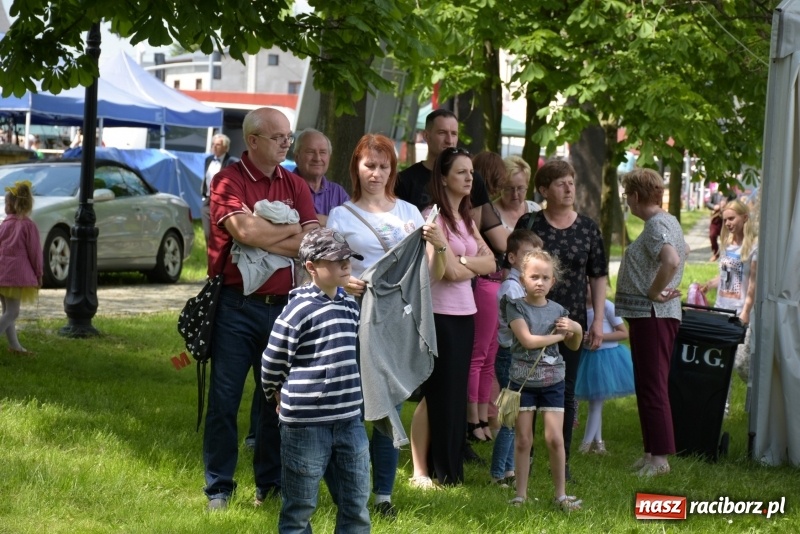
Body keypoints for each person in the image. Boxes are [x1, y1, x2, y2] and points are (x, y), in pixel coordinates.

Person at [203, 107, 319, 511]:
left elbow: (312, 241)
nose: (287, 143)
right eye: (279, 138)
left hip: (285, 308)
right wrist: (290, 232)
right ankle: (219, 487)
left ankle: (267, 485)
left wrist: (266, 236)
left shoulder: (294, 183)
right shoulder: (227, 181)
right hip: (236, 307)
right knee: (225, 400)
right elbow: (244, 230)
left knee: (277, 402)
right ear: (252, 141)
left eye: (288, 137)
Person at [327, 133, 447, 517]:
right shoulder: (341, 216)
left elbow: (430, 276)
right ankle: (350, 491)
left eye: (383, 166)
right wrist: (345, 281)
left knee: (389, 408)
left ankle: (383, 497)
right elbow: (325, 271)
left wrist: (439, 245)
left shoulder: (410, 214)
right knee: (353, 408)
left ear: (392, 170)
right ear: (356, 169)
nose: (375, 174)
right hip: (353, 318)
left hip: (398, 320)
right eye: (369, 166)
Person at [261, 227, 370, 533]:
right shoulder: (298, 310)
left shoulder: (350, 305)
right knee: (300, 509)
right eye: (336, 260)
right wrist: (275, 393)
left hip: (350, 421)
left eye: (347, 257)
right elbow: (272, 361)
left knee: (356, 504)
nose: (345, 264)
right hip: (306, 426)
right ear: (311, 267)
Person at [514, 159, 608, 482]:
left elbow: (598, 276)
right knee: (526, 387)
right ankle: (522, 457)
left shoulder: (588, 228)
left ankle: (561, 460)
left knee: (564, 391)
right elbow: (514, 266)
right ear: (543, 190)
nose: (569, 188)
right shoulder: (530, 223)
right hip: (529, 318)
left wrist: (596, 321)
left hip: (571, 322)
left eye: (571, 182)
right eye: (560, 183)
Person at [409, 147, 496, 487]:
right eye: (461, 172)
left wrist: (461, 263)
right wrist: (462, 265)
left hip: (465, 314)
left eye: (471, 172)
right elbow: (441, 273)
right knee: (436, 393)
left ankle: (448, 469)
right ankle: (421, 471)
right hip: (439, 314)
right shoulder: (434, 218)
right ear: (443, 178)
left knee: (454, 393)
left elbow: (491, 264)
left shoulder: (466, 219)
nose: (469, 177)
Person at [615, 167, 686, 478]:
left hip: (653, 315)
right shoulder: (664, 221)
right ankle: (650, 453)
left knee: (653, 386)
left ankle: (660, 460)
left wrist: (654, 291)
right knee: (647, 384)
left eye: (626, 196)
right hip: (649, 316)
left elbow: (671, 259)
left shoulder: (657, 224)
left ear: (633, 196)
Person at [505, 249, 584, 510]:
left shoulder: (559, 310)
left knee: (555, 439)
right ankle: (521, 494)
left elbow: (574, 346)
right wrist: (560, 337)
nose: (540, 282)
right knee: (523, 439)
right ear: (523, 279)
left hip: (553, 382)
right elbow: (527, 341)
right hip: (523, 382)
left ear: (553, 281)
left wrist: (574, 329)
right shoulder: (514, 306)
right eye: (534, 276)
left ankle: (561, 495)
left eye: (545, 277)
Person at [396, 109, 508, 252]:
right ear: (426, 136)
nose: (449, 140)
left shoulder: (473, 179)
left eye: (454, 133)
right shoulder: (405, 180)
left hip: (465, 260)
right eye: (442, 133)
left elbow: (473, 234)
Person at [489, 229, 542, 487]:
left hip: (516, 357)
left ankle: (509, 471)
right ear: (511, 257)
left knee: (517, 417)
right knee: (510, 420)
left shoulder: (519, 286)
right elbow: (526, 324)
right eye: (526, 255)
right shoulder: (512, 289)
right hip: (510, 357)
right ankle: (498, 474)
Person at [466, 151, 508, 443]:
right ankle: (473, 419)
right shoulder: (478, 207)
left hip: (494, 282)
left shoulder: (482, 206)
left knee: (489, 354)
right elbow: (502, 242)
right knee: (480, 354)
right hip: (484, 282)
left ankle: (483, 415)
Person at [700, 199, 758, 383]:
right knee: (719, 363)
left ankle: (754, 405)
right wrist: (709, 284)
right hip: (721, 308)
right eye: (725, 220)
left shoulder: (754, 246)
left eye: (731, 218)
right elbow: (727, 276)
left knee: (741, 364)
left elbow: (753, 284)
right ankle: (721, 408)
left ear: (745, 217)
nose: (727, 224)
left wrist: (746, 312)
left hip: (739, 312)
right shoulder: (726, 243)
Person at [575, 282, 634, 455]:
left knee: (596, 404)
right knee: (595, 401)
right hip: (588, 358)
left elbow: (624, 332)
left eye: (590, 284)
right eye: (583, 284)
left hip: (607, 359)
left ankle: (585, 445)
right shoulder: (578, 308)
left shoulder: (607, 306)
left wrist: (599, 336)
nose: (586, 288)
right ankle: (599, 444)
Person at [0, 180, 43, 356]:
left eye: (5, 203)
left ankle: (15, 346)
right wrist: (39, 273)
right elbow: (35, 253)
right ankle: (15, 346)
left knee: (6, 311)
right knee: (12, 312)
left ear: (10, 205)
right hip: (15, 276)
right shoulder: (28, 226)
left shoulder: (4, 224)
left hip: (2, 274)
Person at [292, 128, 350, 225]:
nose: (317, 158)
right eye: (310, 152)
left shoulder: (338, 192)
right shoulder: (284, 186)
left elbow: (353, 224)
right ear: (296, 157)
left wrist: (323, 220)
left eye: (323, 152)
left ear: (329, 158)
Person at [202, 134, 239, 242]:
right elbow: (206, 178)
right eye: (213, 144)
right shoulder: (208, 160)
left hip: (222, 201)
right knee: (207, 234)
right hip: (208, 200)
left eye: (218, 144)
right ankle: (210, 257)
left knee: (221, 235)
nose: (214, 146)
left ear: (226, 147)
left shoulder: (232, 162)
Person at [494, 155, 541, 230]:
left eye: (520, 188)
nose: (515, 194)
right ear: (500, 187)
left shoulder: (535, 209)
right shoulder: (491, 213)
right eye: (509, 188)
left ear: (527, 186)